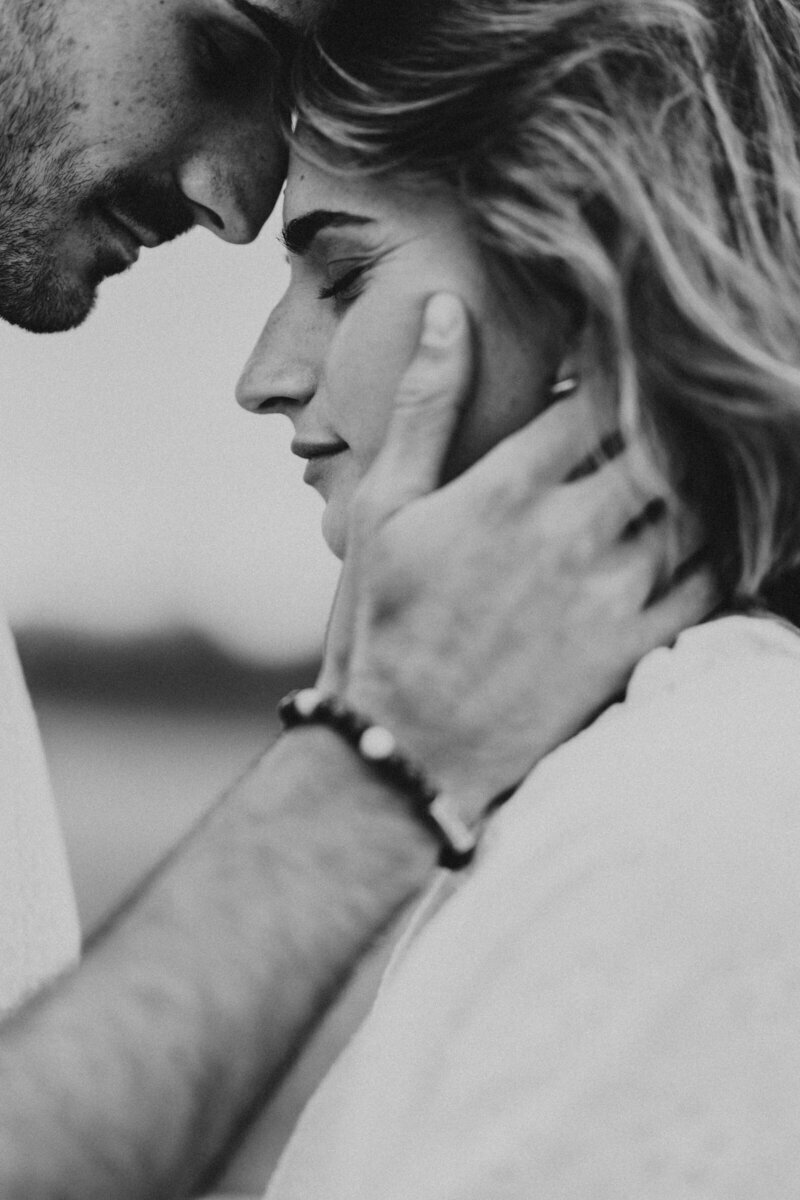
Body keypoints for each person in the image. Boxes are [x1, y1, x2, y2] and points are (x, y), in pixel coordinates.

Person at [0, 0, 709, 1195]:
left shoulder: (706, 791)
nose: (233, 202)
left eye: (343, 273)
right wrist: (381, 755)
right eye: (220, 47)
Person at [231, 0, 800, 1195]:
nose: (265, 376)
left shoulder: (693, 814)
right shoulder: (626, 774)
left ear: (586, 281)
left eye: (341, 275)